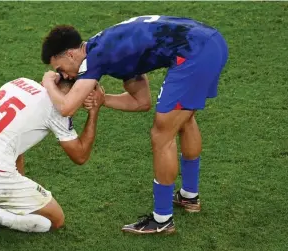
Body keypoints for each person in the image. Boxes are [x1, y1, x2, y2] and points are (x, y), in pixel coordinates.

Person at [41, 15, 228, 234]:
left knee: (161, 134)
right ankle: (189, 197)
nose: (62, 75)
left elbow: (66, 107)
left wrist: (48, 83)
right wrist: (103, 100)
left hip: (194, 53)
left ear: (71, 54)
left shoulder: (95, 58)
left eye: (60, 68)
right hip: (211, 42)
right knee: (183, 119)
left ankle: (162, 219)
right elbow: (142, 102)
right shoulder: (110, 48)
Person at [0, 76, 104, 245]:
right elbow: (80, 156)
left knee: (9, 179)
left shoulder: (19, 83)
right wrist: (94, 112)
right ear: (78, 91)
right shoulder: (56, 109)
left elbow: (17, 146)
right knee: (55, 220)